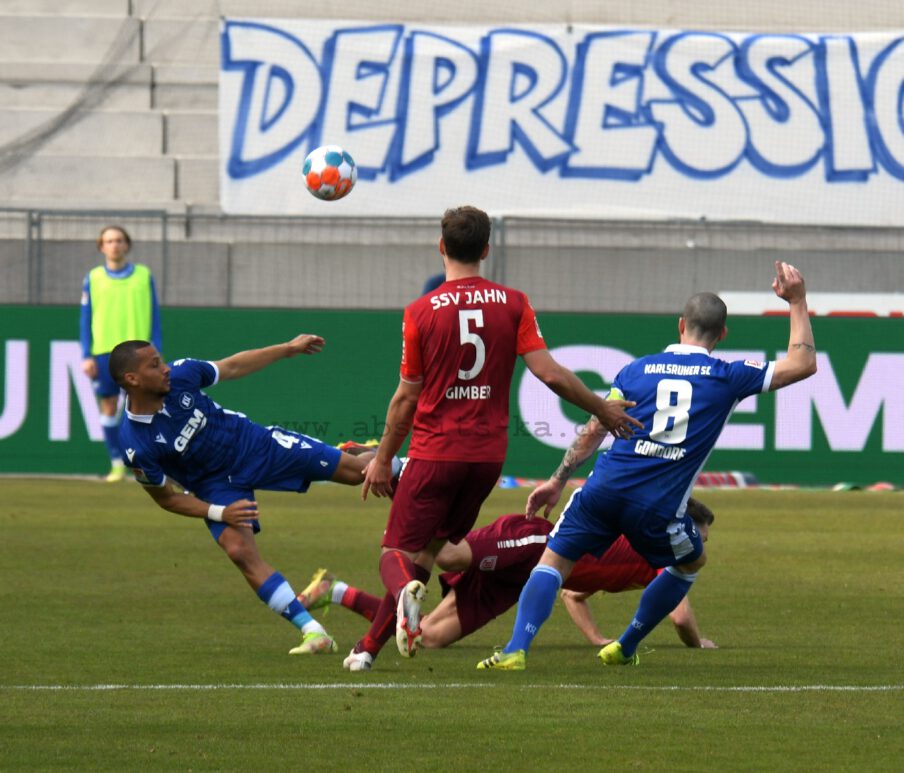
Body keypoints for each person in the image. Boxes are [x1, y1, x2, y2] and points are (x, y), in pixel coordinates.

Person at [478, 261, 817, 670]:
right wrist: (796, 301)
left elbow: (594, 429)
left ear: (680, 326)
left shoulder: (636, 370)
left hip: (602, 490)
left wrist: (556, 479)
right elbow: (802, 365)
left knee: (554, 561)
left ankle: (516, 648)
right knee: (690, 561)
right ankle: (626, 644)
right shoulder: (727, 376)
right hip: (656, 507)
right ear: (722, 335)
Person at [346, 205, 642, 672]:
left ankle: (404, 593)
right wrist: (601, 408)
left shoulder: (420, 313)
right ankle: (366, 650)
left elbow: (406, 399)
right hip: (486, 460)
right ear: (486, 249)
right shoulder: (514, 303)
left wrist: (383, 458)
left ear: (442, 247)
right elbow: (549, 373)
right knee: (426, 553)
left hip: (435, 452)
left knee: (394, 555)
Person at [108, 335, 399, 656]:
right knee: (238, 550)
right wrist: (219, 512)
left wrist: (288, 349)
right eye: (154, 365)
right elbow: (167, 498)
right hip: (215, 486)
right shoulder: (136, 444)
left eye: (161, 360)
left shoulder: (182, 375)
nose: (164, 369)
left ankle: (391, 459)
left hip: (256, 446)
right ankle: (313, 632)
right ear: (132, 379)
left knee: (357, 473)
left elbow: (232, 366)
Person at [298, 500, 717, 650]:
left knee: (425, 637)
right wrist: (698, 644)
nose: (703, 546)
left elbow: (573, 592)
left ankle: (334, 592)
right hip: (536, 543)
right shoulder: (670, 554)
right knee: (448, 557)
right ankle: (404, 482)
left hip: (528, 578)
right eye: (702, 536)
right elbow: (679, 618)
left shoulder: (652, 560)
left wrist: (594, 638)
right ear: (685, 530)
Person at [80, 225, 162, 482]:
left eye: (119, 240)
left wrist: (155, 349)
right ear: (101, 246)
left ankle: (152, 464)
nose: (114, 245)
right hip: (104, 352)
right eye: (109, 241)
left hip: (138, 353)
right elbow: (85, 318)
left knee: (148, 408)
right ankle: (117, 463)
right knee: (108, 406)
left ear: (127, 245)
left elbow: (155, 314)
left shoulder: (143, 275)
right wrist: (86, 354)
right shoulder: (93, 278)